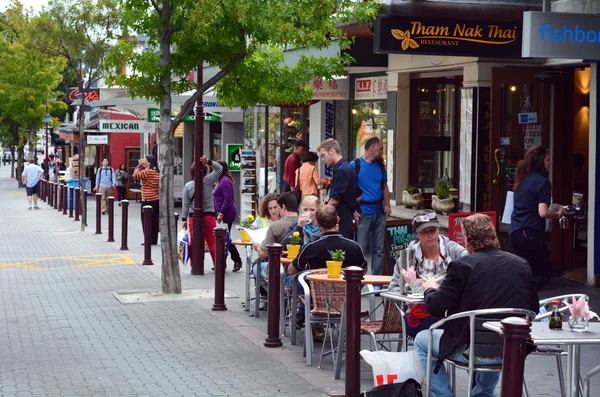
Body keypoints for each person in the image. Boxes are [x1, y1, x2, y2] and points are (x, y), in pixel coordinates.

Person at [414, 214, 539, 397]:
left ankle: (443, 395)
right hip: (512, 350)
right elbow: (533, 309)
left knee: (422, 340)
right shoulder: (520, 264)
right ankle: (484, 393)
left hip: (470, 351)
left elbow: (436, 306)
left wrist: (429, 289)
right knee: (491, 339)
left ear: (467, 239)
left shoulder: (462, 266)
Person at [388, 210, 467, 336]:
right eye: (425, 232)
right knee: (430, 326)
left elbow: (470, 270)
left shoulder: (454, 250)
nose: (430, 235)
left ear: (439, 229)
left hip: (450, 311)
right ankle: (432, 353)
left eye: (433, 230)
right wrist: (412, 288)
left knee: (445, 326)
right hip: (418, 313)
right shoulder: (408, 257)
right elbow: (392, 289)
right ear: (416, 234)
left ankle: (431, 353)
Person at [509, 146, 563, 291]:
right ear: (540, 162)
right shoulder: (543, 182)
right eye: (547, 160)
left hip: (515, 232)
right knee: (543, 273)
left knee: (528, 272)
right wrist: (557, 214)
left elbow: (530, 203)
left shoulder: (522, 179)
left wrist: (551, 206)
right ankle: (524, 297)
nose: (550, 162)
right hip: (530, 232)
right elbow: (543, 212)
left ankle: (522, 299)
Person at [351, 136, 392, 276]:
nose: (382, 151)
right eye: (380, 148)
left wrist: (388, 204)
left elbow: (384, 186)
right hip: (363, 212)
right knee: (360, 248)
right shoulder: (355, 165)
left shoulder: (380, 165)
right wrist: (353, 207)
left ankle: (376, 283)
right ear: (371, 148)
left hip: (379, 212)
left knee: (379, 250)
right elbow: (347, 187)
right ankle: (357, 280)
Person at [288, 205, 366, 274]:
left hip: (316, 289)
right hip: (347, 289)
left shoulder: (309, 247)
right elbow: (364, 269)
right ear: (338, 220)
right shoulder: (354, 247)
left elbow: (291, 270)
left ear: (318, 223)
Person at [181, 156, 223, 272]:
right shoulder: (209, 181)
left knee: (194, 242)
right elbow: (220, 169)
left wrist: (184, 219)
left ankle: (195, 266)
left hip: (193, 217)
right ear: (205, 171)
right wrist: (209, 162)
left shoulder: (188, 186)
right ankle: (218, 265)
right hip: (209, 215)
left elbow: (185, 204)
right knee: (212, 242)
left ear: (191, 172)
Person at [253, 193, 299, 296]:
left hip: (281, 267)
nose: (274, 211)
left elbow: (264, 254)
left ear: (283, 207)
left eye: (276, 207)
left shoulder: (276, 226)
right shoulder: (307, 223)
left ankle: (277, 298)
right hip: (301, 266)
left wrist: (258, 247)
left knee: (256, 267)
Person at [317, 138, 358, 239]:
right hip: (344, 216)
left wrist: (321, 214)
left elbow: (335, 201)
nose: (323, 160)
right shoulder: (344, 168)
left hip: (342, 218)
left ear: (332, 151)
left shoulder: (342, 170)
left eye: (323, 155)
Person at [213, 160, 243, 272]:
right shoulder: (221, 180)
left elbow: (227, 198)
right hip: (223, 212)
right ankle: (224, 262)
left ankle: (236, 260)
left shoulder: (225, 181)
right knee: (224, 237)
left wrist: (221, 212)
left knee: (225, 237)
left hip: (226, 213)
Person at [133, 155, 160, 245]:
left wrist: (139, 166)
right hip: (156, 199)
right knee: (155, 220)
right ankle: (154, 240)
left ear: (149, 162)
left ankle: (148, 240)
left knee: (146, 221)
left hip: (147, 199)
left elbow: (135, 175)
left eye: (145, 160)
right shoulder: (157, 171)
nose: (143, 162)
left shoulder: (147, 171)